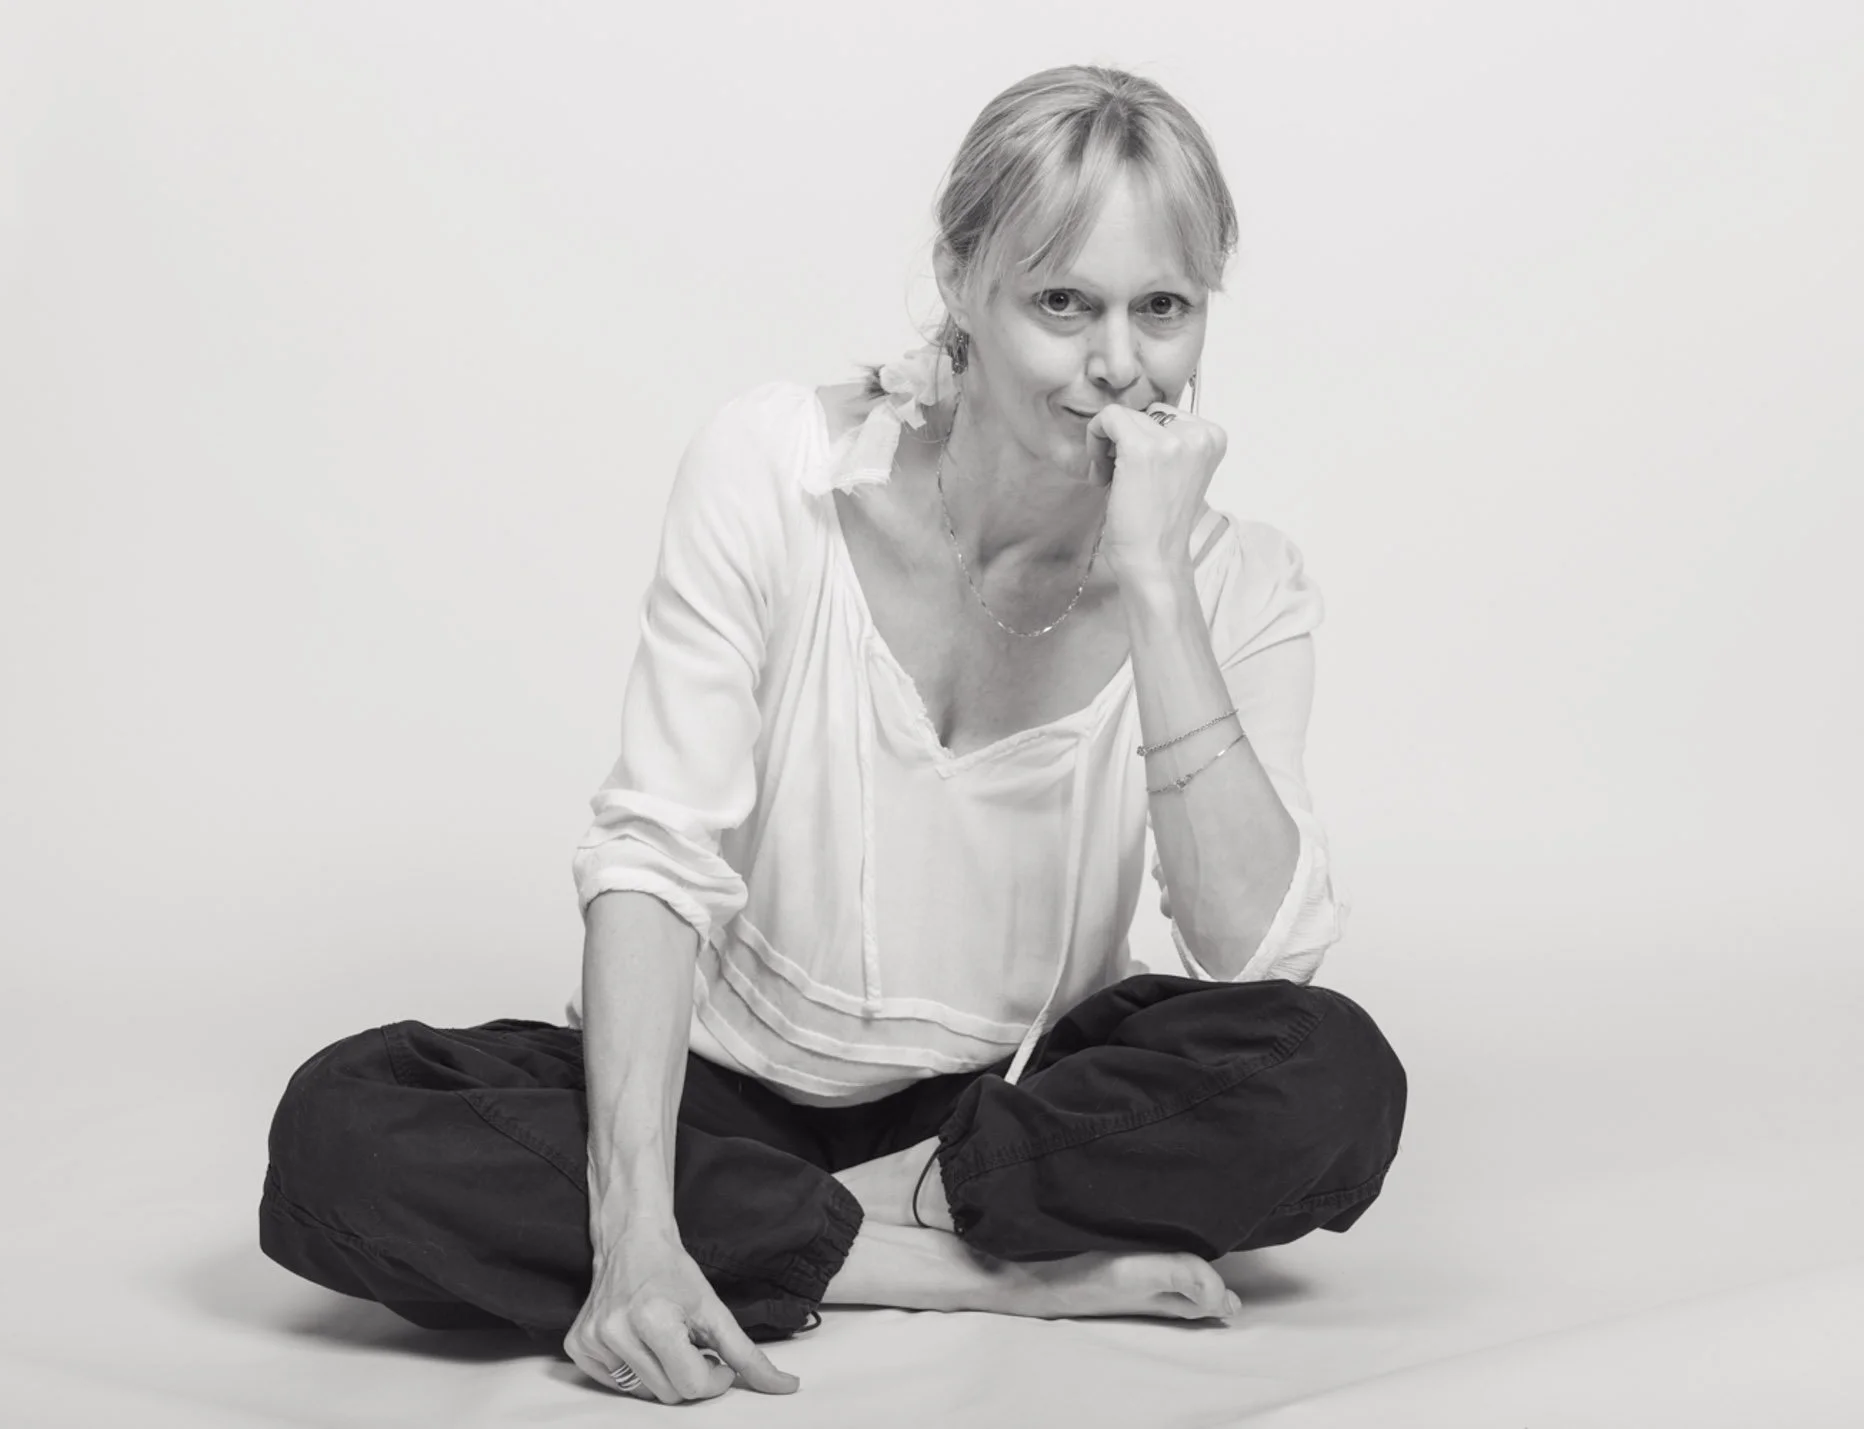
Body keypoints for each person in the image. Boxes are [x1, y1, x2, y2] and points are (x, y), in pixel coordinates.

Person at [258, 63, 1407, 1406]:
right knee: (341, 1134)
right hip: (715, 1091)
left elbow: (1256, 952)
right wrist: (632, 1232)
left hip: (999, 1116)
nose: (1117, 362)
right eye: (1062, 302)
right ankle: (909, 1258)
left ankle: (822, 1220)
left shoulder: (1236, 582)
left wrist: (1155, 582)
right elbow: (652, 857)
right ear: (961, 283)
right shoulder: (776, 468)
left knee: (1335, 1084)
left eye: (1162, 308)